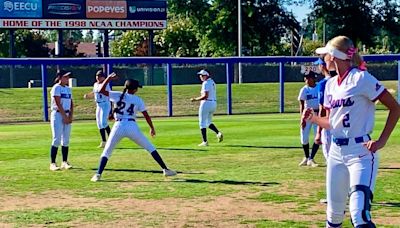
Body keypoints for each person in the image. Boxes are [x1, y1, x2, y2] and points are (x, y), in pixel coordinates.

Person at [302, 35, 400, 227]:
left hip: (360, 153)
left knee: (359, 214)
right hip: (336, 154)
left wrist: (381, 141)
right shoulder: (330, 84)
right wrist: (313, 119)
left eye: (326, 55)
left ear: (335, 56)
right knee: (334, 216)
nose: (323, 60)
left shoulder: (361, 78)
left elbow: (395, 108)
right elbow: (333, 123)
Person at [91, 73, 177, 182]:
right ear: (135, 89)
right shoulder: (138, 100)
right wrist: (152, 128)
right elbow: (146, 115)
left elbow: (101, 91)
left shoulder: (118, 95)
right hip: (132, 126)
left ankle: (98, 174)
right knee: (150, 147)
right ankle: (165, 169)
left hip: (118, 125)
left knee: (107, 151)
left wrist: (108, 79)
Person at [190, 69, 223, 146]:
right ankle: (218, 133)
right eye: (200, 75)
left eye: (202, 75)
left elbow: (205, 96)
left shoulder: (206, 83)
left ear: (206, 76)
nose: (200, 77)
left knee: (202, 122)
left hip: (206, 103)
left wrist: (195, 99)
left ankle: (205, 141)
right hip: (213, 103)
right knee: (208, 122)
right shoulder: (212, 82)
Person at [314, 52, 337, 161]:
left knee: (330, 160)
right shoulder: (339, 80)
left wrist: (318, 132)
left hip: (328, 124)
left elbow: (322, 109)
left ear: (323, 66)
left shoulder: (323, 84)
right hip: (341, 125)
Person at [49, 70, 74, 171]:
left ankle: (64, 161)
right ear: (59, 78)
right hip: (58, 114)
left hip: (67, 114)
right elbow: (58, 103)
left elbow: (71, 103)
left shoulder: (68, 89)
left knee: (66, 140)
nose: (67, 79)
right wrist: (64, 116)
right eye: (65, 77)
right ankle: (53, 163)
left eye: (68, 77)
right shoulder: (56, 88)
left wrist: (70, 116)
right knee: (57, 139)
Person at [84, 70, 112, 148]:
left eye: (100, 76)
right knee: (99, 124)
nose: (98, 78)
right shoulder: (95, 84)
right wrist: (88, 95)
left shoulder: (106, 84)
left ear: (103, 77)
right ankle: (104, 141)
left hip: (105, 103)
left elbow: (108, 94)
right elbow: (94, 92)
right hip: (98, 104)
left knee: (104, 123)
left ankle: (111, 140)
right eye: (97, 76)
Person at [298, 71, 320, 167]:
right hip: (307, 114)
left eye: (308, 78)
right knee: (304, 136)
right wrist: (302, 118)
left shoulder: (319, 87)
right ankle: (306, 157)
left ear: (313, 78)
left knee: (318, 136)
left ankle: (311, 158)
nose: (306, 80)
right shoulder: (304, 90)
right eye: (305, 78)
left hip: (317, 113)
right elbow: (302, 105)